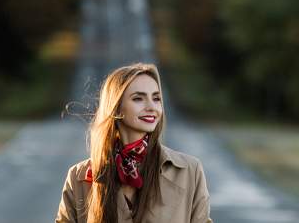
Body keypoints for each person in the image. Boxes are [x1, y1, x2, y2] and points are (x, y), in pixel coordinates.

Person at [55, 62, 212, 223]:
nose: (151, 107)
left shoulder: (190, 172)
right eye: (138, 98)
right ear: (116, 107)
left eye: (156, 98)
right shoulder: (79, 177)